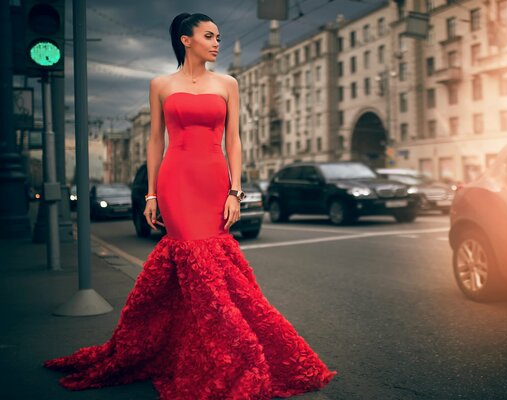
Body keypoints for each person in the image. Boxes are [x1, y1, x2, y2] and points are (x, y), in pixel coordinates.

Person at [43, 13, 337, 399]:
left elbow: (234, 141)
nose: (216, 43)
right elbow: (154, 142)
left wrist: (236, 191)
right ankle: (228, 350)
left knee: (210, 267)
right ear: (186, 40)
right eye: (209, 36)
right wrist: (150, 194)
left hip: (214, 180)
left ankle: (207, 350)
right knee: (195, 264)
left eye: (218, 36)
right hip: (175, 180)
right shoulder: (161, 84)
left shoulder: (227, 83)